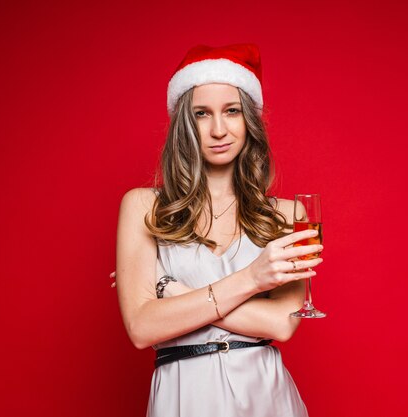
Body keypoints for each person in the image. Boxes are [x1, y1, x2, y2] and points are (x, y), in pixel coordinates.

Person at [115, 43, 324, 417]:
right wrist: (253, 279)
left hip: (264, 395)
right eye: (201, 114)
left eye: (232, 111)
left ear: (250, 121)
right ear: (185, 124)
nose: (217, 129)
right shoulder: (143, 207)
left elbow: (282, 324)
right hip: (183, 395)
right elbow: (142, 329)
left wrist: (170, 290)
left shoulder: (288, 214)